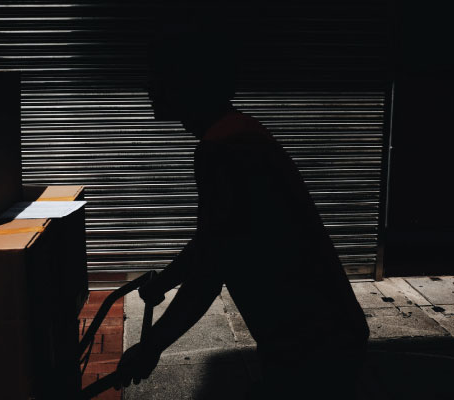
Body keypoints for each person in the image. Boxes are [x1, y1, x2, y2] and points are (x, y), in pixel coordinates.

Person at [114, 25, 369, 398]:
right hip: (313, 331)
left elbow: (210, 269)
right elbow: (215, 238)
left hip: (309, 338)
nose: (148, 88)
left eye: (158, 77)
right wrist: (166, 280)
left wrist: (152, 346)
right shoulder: (236, 133)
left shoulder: (223, 149)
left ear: (189, 82)